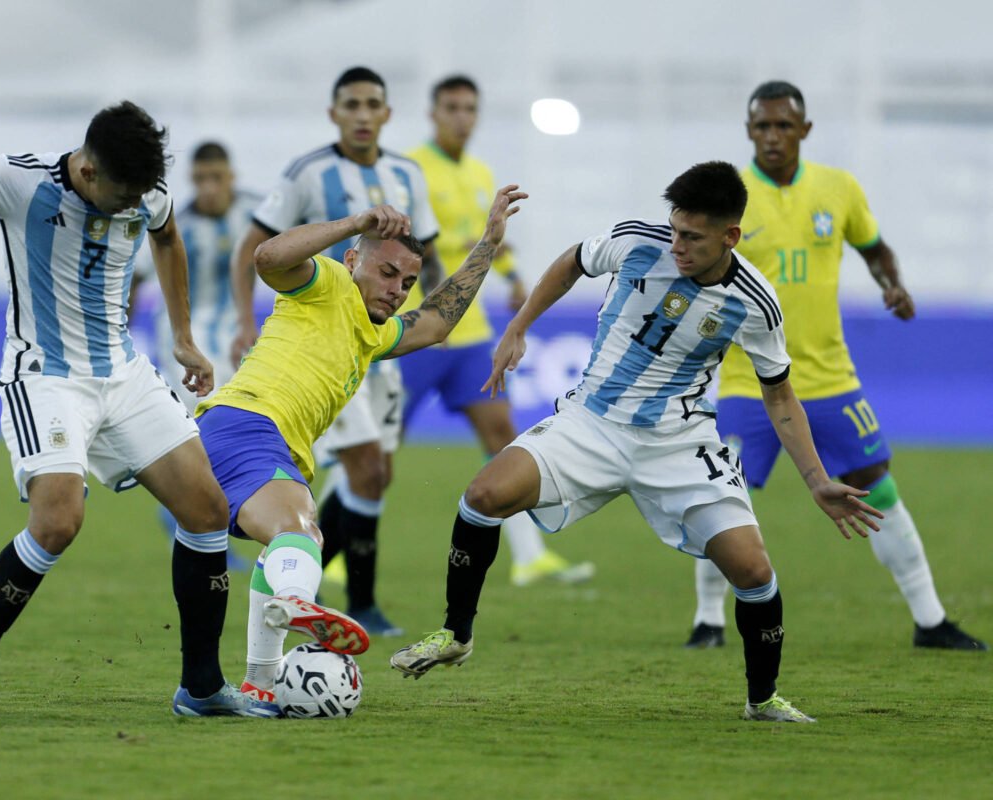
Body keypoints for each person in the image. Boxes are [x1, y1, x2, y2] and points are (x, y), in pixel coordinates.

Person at [0, 71, 274, 719]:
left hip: (124, 373)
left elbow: (167, 235)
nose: (134, 204)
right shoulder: (19, 182)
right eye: (121, 194)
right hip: (45, 375)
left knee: (209, 510)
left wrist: (182, 336)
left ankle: (202, 688)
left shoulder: (143, 193)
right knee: (57, 521)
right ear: (89, 171)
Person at [392, 162, 882, 723]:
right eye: (674, 229)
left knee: (753, 571)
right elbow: (573, 261)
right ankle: (456, 633)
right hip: (590, 423)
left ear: (731, 236)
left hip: (680, 443)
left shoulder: (755, 301)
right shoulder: (635, 242)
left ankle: (762, 699)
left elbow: (780, 397)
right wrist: (518, 326)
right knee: (482, 496)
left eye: (693, 237)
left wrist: (817, 481)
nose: (677, 245)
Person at [683, 81, 986, 651]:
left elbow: (874, 248)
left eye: (783, 125)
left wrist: (891, 284)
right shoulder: (731, 199)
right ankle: (708, 622)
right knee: (722, 493)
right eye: (762, 127)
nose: (772, 136)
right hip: (750, 383)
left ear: (805, 130)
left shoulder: (838, 189)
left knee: (879, 488)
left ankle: (930, 619)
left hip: (830, 378)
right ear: (749, 132)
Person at [199, 186, 526, 709]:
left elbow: (438, 322)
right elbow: (267, 257)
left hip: (263, 441)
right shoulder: (325, 282)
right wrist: (356, 222)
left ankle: (261, 680)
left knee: (285, 546)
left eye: (409, 282)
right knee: (299, 528)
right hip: (247, 422)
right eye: (387, 272)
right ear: (353, 261)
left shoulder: (372, 336)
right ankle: (299, 603)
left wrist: (487, 243)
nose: (398, 290)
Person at [230, 66, 442, 637]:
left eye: (374, 103)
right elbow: (258, 248)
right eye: (351, 104)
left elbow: (429, 259)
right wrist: (245, 320)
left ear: (388, 114)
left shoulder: (408, 175)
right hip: (318, 334)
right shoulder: (307, 172)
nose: (363, 114)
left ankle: (296, 564)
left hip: (375, 335)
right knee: (366, 465)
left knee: (377, 474)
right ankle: (335, 587)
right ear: (334, 113)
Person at [405, 74, 594, 588]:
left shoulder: (480, 172)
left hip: (469, 335)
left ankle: (529, 557)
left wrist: (511, 279)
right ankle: (331, 548)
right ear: (433, 113)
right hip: (419, 330)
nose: (461, 116)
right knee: (371, 453)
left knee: (501, 437)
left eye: (469, 108)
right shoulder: (413, 170)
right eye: (452, 107)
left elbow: (488, 241)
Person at [133, 142, 261, 570]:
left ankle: (189, 517)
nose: (209, 187)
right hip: (185, 341)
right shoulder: (177, 225)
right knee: (204, 428)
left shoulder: (257, 215)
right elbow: (136, 279)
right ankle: (191, 521)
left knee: (229, 428)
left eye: (216, 178)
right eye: (201, 179)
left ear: (231, 177)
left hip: (237, 340)